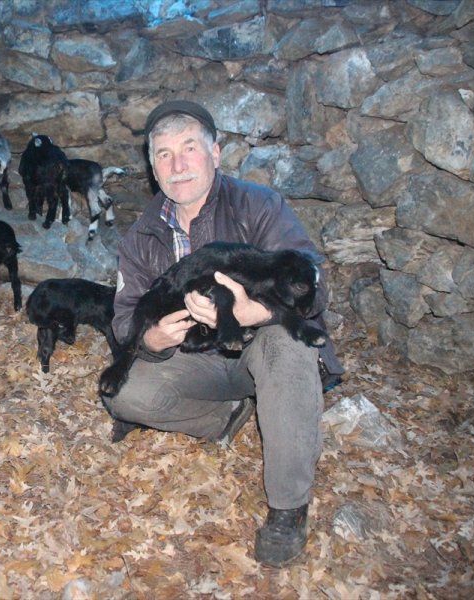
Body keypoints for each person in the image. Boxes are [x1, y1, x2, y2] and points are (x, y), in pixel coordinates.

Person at [103, 100, 344, 567]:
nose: (178, 165)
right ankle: (229, 419)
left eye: (189, 148)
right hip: (198, 357)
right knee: (123, 395)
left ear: (215, 152)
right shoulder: (141, 237)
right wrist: (151, 338)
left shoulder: (259, 205)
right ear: (152, 169)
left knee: (288, 344)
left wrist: (259, 311)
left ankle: (288, 507)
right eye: (164, 155)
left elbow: (314, 282)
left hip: (264, 346)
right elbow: (123, 316)